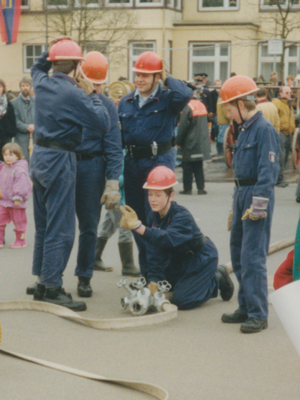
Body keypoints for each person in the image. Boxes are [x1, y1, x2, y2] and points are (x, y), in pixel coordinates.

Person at [28, 38, 110, 311]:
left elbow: (37, 66)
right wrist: (92, 94)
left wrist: (54, 47)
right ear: (76, 66)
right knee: (61, 228)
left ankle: (41, 282)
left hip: (38, 157)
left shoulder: (41, 82)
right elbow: (103, 123)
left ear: (53, 63)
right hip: (60, 159)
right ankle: (53, 287)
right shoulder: (73, 93)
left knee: (44, 224)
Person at [118, 51, 192, 277]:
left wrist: (166, 74)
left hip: (158, 164)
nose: (139, 80)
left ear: (156, 77)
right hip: (132, 165)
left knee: (157, 219)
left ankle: (160, 272)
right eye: (137, 75)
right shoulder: (125, 102)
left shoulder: (169, 99)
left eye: (146, 75)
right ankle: (148, 271)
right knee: (137, 218)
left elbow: (186, 93)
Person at [119, 166, 234, 310]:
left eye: (158, 195)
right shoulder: (152, 217)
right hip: (178, 261)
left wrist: (138, 227)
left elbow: (167, 239)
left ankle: (217, 278)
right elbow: (154, 249)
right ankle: (190, 282)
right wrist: (154, 279)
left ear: (170, 196)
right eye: (150, 194)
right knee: (160, 285)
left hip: (200, 259)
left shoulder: (182, 216)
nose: (153, 200)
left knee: (182, 300)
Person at [221, 75, 280, 333]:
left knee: (252, 257)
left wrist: (258, 206)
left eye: (229, 109)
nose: (228, 114)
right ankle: (245, 306)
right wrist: (237, 205)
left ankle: (258, 313)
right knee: (238, 253)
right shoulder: (244, 128)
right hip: (242, 193)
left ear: (242, 105)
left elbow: (268, 173)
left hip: (257, 193)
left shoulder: (263, 129)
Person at [70, 51, 123, 297]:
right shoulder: (67, 98)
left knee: (89, 226)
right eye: (94, 82)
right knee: (60, 225)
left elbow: (113, 147)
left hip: (92, 167)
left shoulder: (107, 106)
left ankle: (84, 276)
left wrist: (112, 183)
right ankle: (49, 277)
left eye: (100, 83)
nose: (97, 88)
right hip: (67, 163)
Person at [95, 151, 139, 276]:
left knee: (107, 227)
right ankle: (128, 265)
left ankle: (94, 257)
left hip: (119, 198)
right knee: (125, 229)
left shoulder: (122, 151)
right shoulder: (117, 153)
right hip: (118, 198)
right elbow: (116, 176)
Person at [175, 96, 211, 195]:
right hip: (200, 142)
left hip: (189, 142)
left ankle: (187, 189)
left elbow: (183, 126)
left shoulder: (187, 107)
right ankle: (201, 188)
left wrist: (178, 141)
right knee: (198, 166)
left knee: (187, 166)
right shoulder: (201, 105)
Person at [0, 143, 31, 248]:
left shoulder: (19, 170)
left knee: (19, 223)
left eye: (11, 155)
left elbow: (21, 184)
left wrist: (18, 196)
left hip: (16, 202)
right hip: (3, 201)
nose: (7, 157)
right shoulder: (3, 167)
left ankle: (20, 241)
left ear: (18, 156)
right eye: (5, 155)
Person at [272, 86, 295, 187]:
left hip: (288, 132)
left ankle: (280, 177)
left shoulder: (288, 104)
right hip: (281, 131)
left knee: (285, 156)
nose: (288, 94)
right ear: (280, 93)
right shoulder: (277, 103)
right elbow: (275, 117)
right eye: (286, 93)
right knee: (281, 156)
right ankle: (278, 179)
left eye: (289, 93)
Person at [11, 77, 35, 161]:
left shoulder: (36, 102)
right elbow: (14, 120)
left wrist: (36, 126)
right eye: (23, 85)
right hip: (21, 138)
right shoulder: (14, 103)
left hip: (35, 137)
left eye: (27, 85)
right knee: (22, 161)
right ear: (20, 87)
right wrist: (26, 127)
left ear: (31, 87)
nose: (25, 87)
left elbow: (41, 117)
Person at [0, 79, 16, 160]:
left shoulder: (8, 104)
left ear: (3, 89)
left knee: (5, 159)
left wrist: (10, 133)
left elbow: (12, 119)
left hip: (5, 137)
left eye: (0, 87)